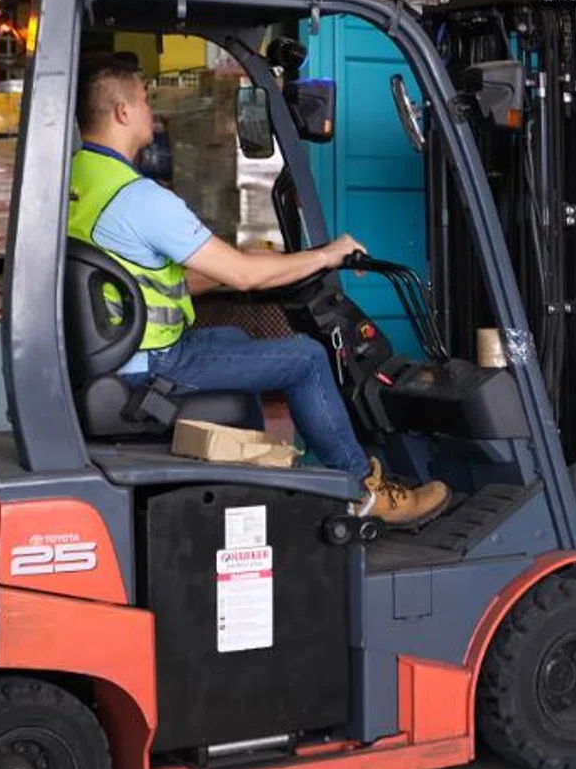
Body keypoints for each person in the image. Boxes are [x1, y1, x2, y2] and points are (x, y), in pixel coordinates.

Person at [67, 50, 448, 528]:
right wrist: (327, 256)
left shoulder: (79, 182)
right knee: (306, 358)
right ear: (122, 112)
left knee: (237, 342)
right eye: (144, 101)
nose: (151, 111)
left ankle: (276, 477)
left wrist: (267, 263)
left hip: (120, 354)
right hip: (151, 366)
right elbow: (245, 277)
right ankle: (360, 490)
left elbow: (143, 278)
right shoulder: (140, 198)